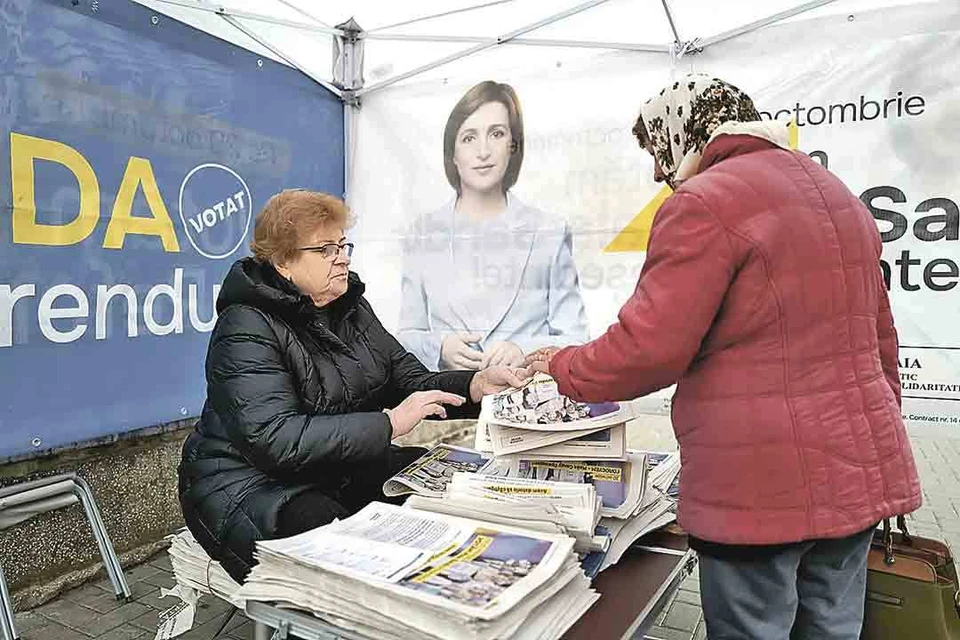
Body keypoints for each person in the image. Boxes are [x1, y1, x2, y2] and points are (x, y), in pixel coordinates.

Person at [528, 74, 921, 640]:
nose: (656, 171)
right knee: (834, 624)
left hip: (760, 484)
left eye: (654, 150)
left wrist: (560, 366)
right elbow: (883, 342)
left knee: (752, 627)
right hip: (855, 470)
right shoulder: (833, 192)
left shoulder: (706, 202)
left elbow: (648, 350)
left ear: (680, 132)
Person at [178, 189, 527, 583]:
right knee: (347, 552)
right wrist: (389, 424)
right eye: (325, 249)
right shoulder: (246, 326)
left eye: (343, 245)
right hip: (247, 486)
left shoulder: (350, 307)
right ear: (283, 262)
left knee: (448, 487)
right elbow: (275, 439)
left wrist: (477, 386)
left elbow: (411, 380)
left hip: (330, 466)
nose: (341, 257)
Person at [397, 80, 588, 372]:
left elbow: (576, 338)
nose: (483, 151)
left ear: (513, 145)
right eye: (469, 137)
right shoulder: (422, 234)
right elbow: (406, 336)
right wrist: (440, 347)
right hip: (450, 406)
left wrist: (524, 350)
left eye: (496, 134)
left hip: (525, 405)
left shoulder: (548, 232)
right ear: (452, 153)